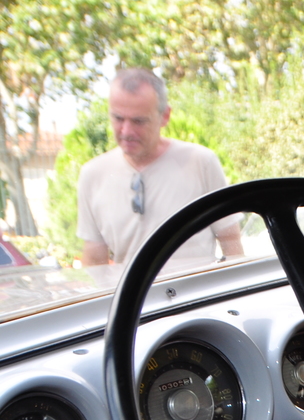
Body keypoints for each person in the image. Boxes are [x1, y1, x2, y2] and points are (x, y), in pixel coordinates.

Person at [77, 68, 242, 279]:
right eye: (118, 118)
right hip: (135, 299)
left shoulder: (201, 162)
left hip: (198, 295)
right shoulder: (92, 174)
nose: (126, 131)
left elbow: (231, 241)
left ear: (165, 116)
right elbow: (94, 259)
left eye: (138, 121)